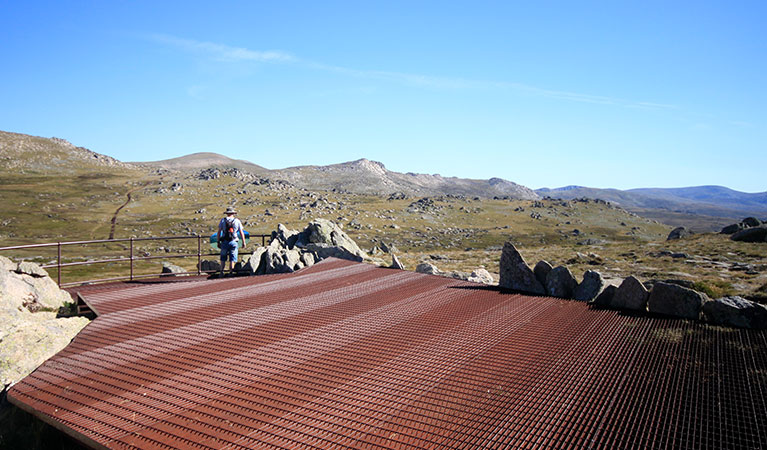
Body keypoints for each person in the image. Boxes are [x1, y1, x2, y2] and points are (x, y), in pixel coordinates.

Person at [217, 206, 246, 275]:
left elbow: (219, 232)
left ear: (227, 213)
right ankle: (231, 272)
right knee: (232, 258)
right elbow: (241, 232)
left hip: (224, 241)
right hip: (234, 241)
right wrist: (243, 242)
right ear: (233, 213)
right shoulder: (237, 221)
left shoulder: (223, 220)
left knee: (223, 258)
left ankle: (221, 272)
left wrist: (218, 241)